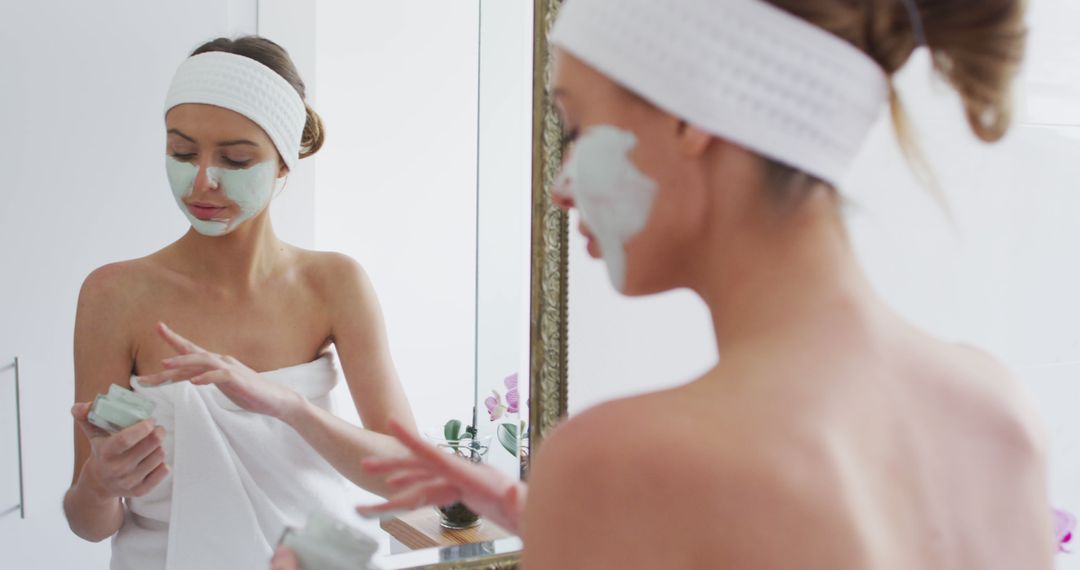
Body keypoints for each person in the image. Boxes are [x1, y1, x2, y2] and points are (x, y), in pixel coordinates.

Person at [277, 0, 1059, 568]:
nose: (559, 186)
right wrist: (544, 516)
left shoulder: (624, 461)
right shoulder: (995, 410)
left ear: (691, 118)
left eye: (577, 130)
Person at [63, 36, 416, 569]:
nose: (202, 180)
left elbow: (408, 474)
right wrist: (98, 484)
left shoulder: (334, 285)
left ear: (281, 164)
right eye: (182, 152)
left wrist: (288, 406)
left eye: (235, 158)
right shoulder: (113, 296)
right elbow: (89, 524)